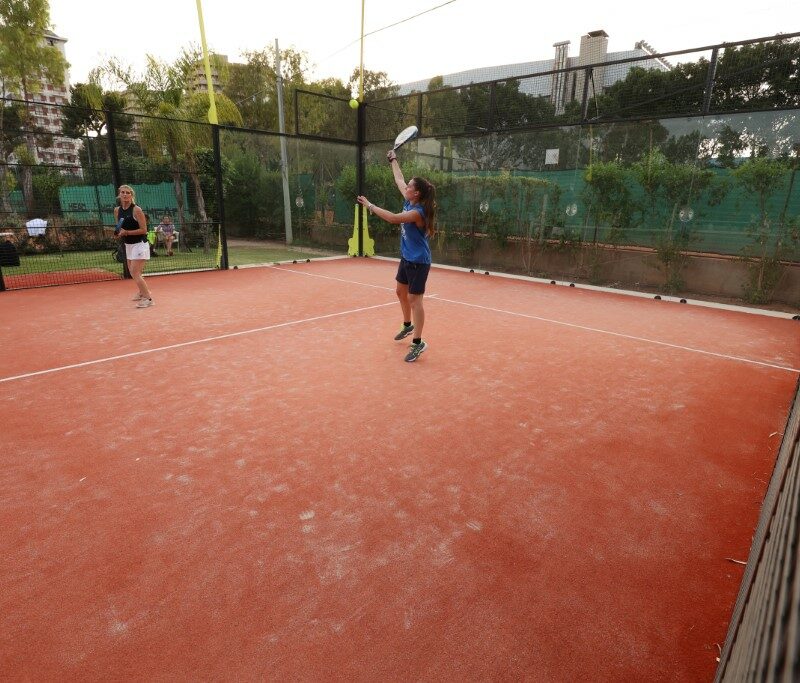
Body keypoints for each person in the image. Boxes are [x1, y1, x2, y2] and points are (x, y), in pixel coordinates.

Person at [356, 150, 437, 362]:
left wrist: (370, 206)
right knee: (400, 292)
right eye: (408, 185)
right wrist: (393, 159)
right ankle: (408, 325)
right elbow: (399, 178)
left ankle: (419, 342)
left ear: (416, 193)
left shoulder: (417, 212)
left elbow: (393, 218)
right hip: (407, 257)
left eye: (410, 186)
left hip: (419, 261)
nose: (406, 187)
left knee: (414, 299)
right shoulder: (410, 199)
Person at [114, 184, 153, 308]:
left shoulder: (136, 210)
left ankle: (148, 299)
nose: (125, 195)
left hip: (140, 244)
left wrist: (127, 232)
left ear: (131, 196)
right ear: (119, 194)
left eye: (128, 193)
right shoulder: (117, 210)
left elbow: (144, 230)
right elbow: (120, 228)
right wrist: (118, 233)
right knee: (133, 272)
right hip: (129, 245)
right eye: (123, 192)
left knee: (135, 272)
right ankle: (142, 292)